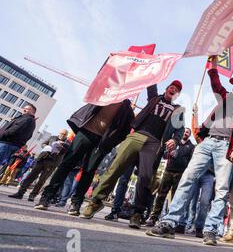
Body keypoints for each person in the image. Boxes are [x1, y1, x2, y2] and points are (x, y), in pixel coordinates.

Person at [147, 56, 233, 246]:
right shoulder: (224, 99)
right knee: (187, 178)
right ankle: (169, 223)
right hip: (207, 143)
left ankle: (210, 230)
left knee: (221, 189)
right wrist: (213, 65)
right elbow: (216, 84)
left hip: (226, 146)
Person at [81, 80, 185, 230]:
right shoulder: (154, 98)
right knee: (115, 167)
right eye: (172, 87)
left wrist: (175, 140)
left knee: (145, 177)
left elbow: (180, 129)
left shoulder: (178, 110)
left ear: (177, 95)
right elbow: (151, 82)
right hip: (137, 135)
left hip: (155, 143)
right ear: (167, 89)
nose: (173, 89)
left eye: (177, 89)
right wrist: (155, 66)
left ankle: (137, 213)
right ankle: (96, 201)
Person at [34, 99, 135, 214]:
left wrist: (111, 142)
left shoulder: (127, 108)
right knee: (67, 164)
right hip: (85, 133)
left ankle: (76, 203)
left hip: (101, 142)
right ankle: (46, 197)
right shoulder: (107, 94)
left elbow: (126, 131)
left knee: (89, 170)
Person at [147, 128, 195, 226]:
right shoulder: (174, 143)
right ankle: (153, 218)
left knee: (175, 198)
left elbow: (191, 161)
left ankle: (170, 221)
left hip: (181, 174)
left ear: (189, 135)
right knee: (161, 195)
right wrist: (169, 152)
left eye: (187, 132)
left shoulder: (191, 146)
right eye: (184, 131)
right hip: (168, 171)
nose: (185, 133)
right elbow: (164, 156)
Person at [9, 129, 69, 201]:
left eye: (64, 134)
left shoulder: (68, 143)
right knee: (31, 176)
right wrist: (47, 147)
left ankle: (32, 195)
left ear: (66, 135)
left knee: (42, 180)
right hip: (42, 159)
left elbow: (67, 152)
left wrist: (61, 147)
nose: (62, 135)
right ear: (59, 133)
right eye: (61, 133)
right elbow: (43, 143)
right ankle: (20, 193)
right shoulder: (52, 137)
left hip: (52, 163)